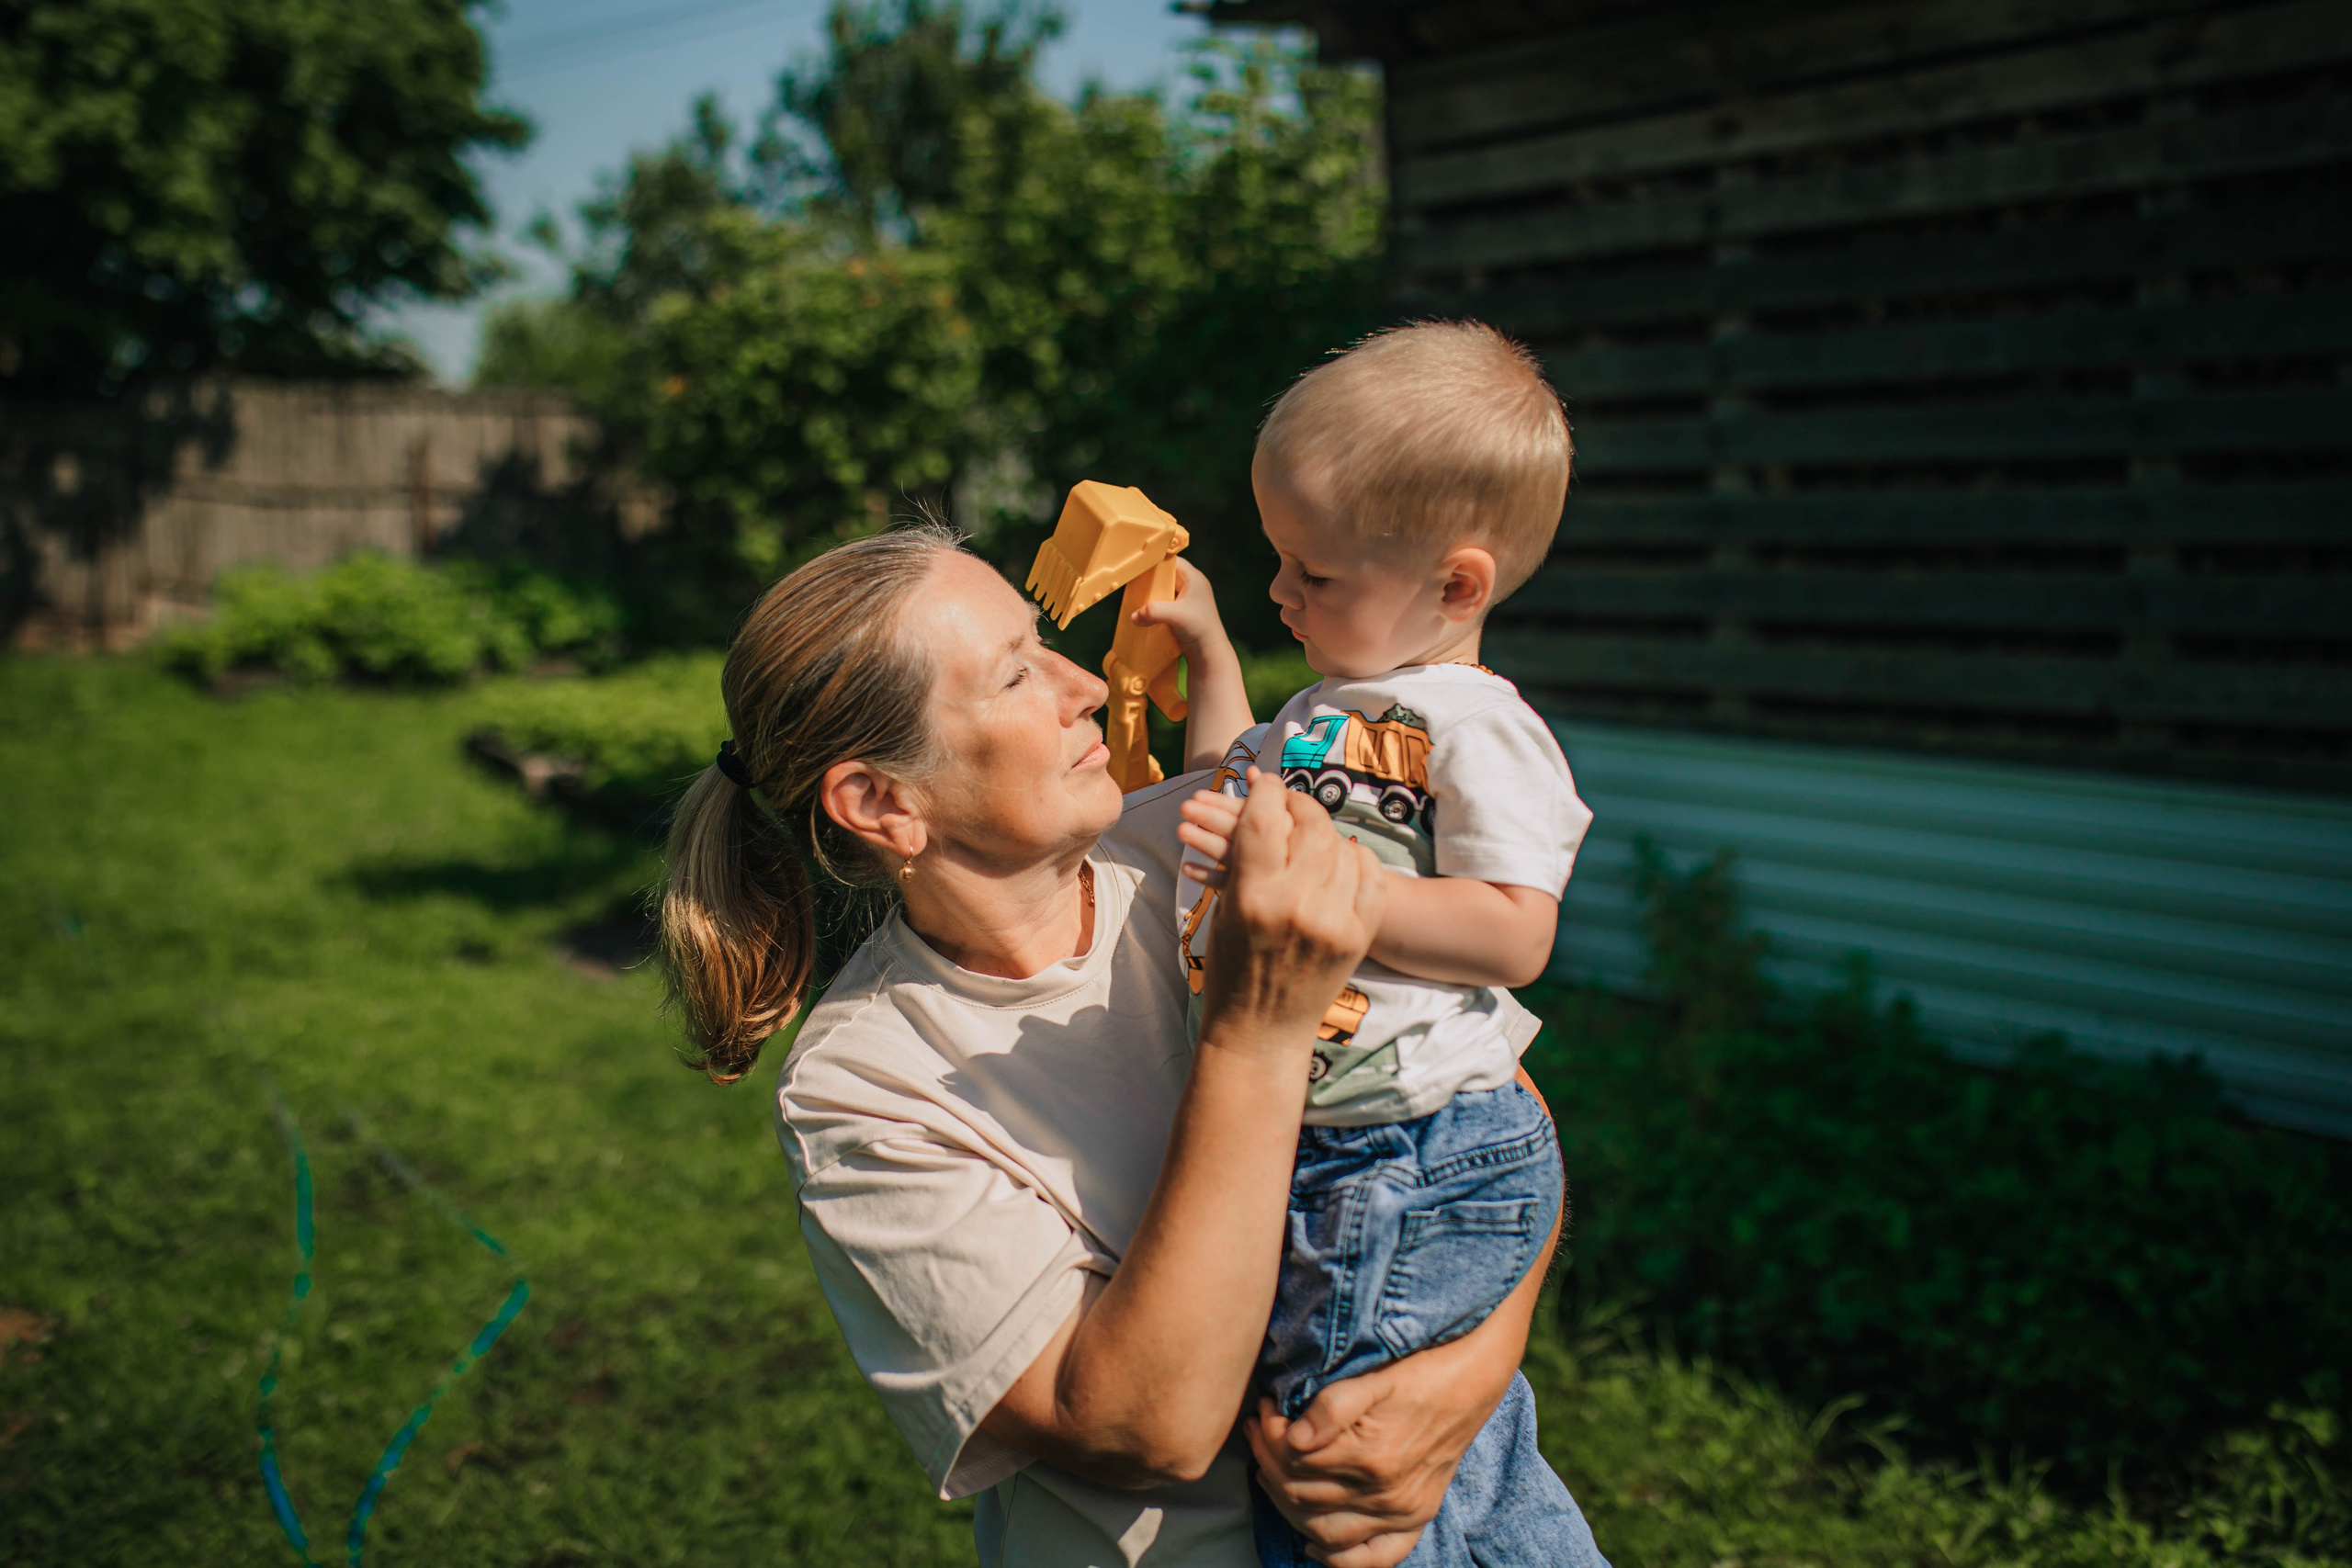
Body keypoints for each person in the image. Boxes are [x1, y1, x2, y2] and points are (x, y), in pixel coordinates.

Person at [659, 525, 1607, 1567]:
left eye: (1044, 643)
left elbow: (1493, 1113)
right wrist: (1254, 1036)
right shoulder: (866, 1085)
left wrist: (1464, 1376)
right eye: (1016, 673)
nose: (1078, 685)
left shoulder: (1200, 843)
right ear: (883, 803)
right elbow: (1140, 1426)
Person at [1136, 321, 1597, 1567]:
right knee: (1463, 1475)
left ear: (1456, 584)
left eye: (1314, 573)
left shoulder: (1474, 725)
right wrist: (1212, 649)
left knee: (1344, 1472)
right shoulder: (1322, 709)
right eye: (1280, 563)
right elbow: (1228, 786)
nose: (1286, 590)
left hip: (1405, 1147)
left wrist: (1330, 902)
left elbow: (1518, 930)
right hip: (1329, 1134)